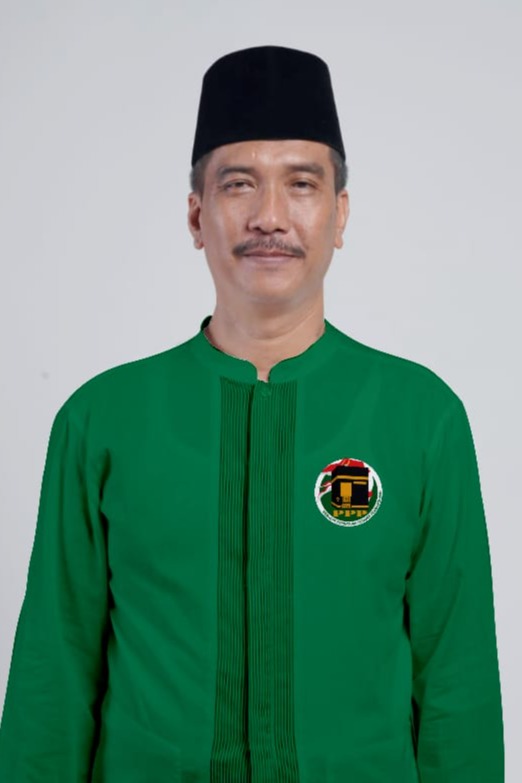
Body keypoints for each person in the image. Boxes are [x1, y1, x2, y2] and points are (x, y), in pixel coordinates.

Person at [0, 45, 504, 782]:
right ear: (197, 215)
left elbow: (457, 680)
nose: (269, 217)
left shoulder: (421, 416)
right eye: (239, 184)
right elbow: (55, 672)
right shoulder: (102, 419)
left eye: (301, 184)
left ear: (339, 214)